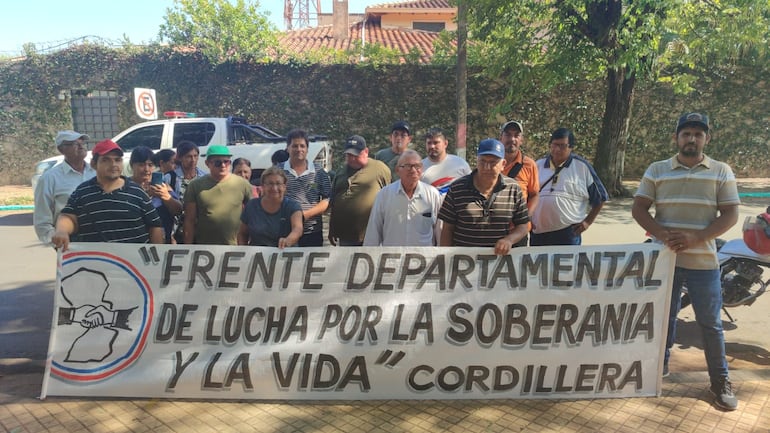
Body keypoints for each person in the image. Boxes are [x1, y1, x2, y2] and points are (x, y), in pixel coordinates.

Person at [631, 112, 740, 411]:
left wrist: (696, 238)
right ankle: (657, 371)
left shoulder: (720, 171)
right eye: (686, 133)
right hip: (664, 260)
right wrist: (663, 235)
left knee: (711, 323)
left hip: (703, 262)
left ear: (707, 138)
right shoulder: (657, 169)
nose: (692, 138)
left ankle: (720, 381)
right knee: (661, 319)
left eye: (698, 134)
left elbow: (730, 214)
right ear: (676, 138)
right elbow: (639, 209)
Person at [51, 140, 162, 251]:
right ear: (94, 164)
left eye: (117, 160)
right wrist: (62, 231)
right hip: (96, 263)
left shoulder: (137, 192)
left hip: (135, 264)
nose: (113, 164)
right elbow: (68, 216)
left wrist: (157, 258)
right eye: (106, 160)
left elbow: (155, 225)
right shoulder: (82, 192)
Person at [438, 138, 529, 255]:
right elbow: (447, 229)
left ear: (503, 164)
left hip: (498, 264)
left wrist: (509, 240)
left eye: (493, 162)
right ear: (477, 161)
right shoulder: (457, 188)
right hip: (462, 263)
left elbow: (523, 226)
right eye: (483, 161)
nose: (487, 167)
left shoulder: (513, 188)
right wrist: (445, 259)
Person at [530, 128, 608, 246]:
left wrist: (587, 222)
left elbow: (601, 197)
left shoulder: (582, 167)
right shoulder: (537, 166)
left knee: (567, 265)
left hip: (568, 233)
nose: (557, 149)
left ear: (571, 147)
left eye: (562, 146)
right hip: (538, 233)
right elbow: (527, 195)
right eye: (554, 145)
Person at [364, 150, 442, 246]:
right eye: (408, 166)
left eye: (417, 166)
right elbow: (373, 231)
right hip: (391, 258)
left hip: (424, 259)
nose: (413, 170)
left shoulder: (432, 194)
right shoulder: (384, 195)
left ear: (422, 169)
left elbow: (439, 230)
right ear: (397, 170)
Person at [34, 130, 96, 244]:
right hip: (69, 241)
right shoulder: (50, 178)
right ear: (61, 149)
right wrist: (56, 241)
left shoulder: (96, 173)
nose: (81, 146)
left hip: (99, 239)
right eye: (74, 144)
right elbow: (42, 219)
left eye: (82, 143)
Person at [328, 135, 391, 246]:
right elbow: (333, 201)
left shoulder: (380, 169)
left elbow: (389, 200)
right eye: (349, 155)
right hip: (346, 236)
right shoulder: (340, 172)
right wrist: (332, 229)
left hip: (371, 235)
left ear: (366, 151)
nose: (352, 159)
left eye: (356, 155)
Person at [183, 145, 253, 245]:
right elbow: (189, 220)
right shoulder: (195, 186)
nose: (223, 165)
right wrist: (188, 247)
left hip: (236, 247)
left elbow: (252, 216)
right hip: (205, 247)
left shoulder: (243, 184)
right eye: (218, 163)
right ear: (207, 164)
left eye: (226, 162)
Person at [282, 129, 332, 247]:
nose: (299, 149)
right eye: (294, 146)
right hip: (285, 232)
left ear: (307, 149)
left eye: (302, 146)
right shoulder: (278, 171)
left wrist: (305, 215)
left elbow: (328, 199)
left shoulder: (320, 172)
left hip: (312, 231)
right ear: (288, 148)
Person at [238, 166, 303, 248]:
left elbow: (297, 229)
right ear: (263, 186)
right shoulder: (251, 206)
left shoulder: (293, 206)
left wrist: (288, 240)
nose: (274, 188)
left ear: (284, 186)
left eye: (278, 183)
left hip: (285, 253)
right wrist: (243, 250)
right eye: (270, 184)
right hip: (257, 257)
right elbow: (242, 233)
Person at [130, 146, 182, 243]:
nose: (146, 169)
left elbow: (178, 211)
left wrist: (166, 197)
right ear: (132, 165)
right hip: (134, 241)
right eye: (141, 165)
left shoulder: (162, 186)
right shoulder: (125, 186)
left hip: (161, 242)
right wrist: (146, 196)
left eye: (150, 165)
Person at [500, 120, 539, 246]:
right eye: (508, 134)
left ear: (521, 140)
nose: (512, 139)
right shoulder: (491, 163)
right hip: (494, 229)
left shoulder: (529, 165)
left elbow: (534, 194)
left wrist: (526, 217)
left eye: (516, 135)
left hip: (518, 232)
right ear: (501, 138)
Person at [170, 141, 206, 243]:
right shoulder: (170, 177)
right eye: (189, 157)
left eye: (195, 156)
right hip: (177, 229)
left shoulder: (204, 177)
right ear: (180, 158)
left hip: (200, 228)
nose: (193, 160)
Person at [420, 127, 471, 194]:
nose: (432, 146)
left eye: (436, 143)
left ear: (445, 144)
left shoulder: (460, 164)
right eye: (429, 143)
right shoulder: (419, 168)